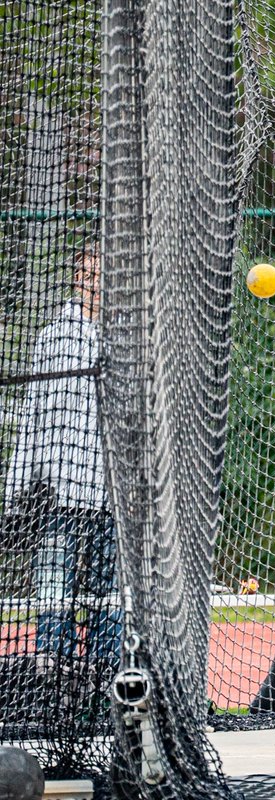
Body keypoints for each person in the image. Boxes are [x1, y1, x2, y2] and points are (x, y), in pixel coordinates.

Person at [2, 250, 119, 678]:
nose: (95, 283)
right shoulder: (54, 338)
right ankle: (54, 671)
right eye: (88, 273)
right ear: (76, 277)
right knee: (55, 589)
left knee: (110, 596)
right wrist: (17, 487)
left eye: (102, 275)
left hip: (112, 494)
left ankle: (106, 673)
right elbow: (34, 415)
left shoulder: (126, 338)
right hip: (58, 489)